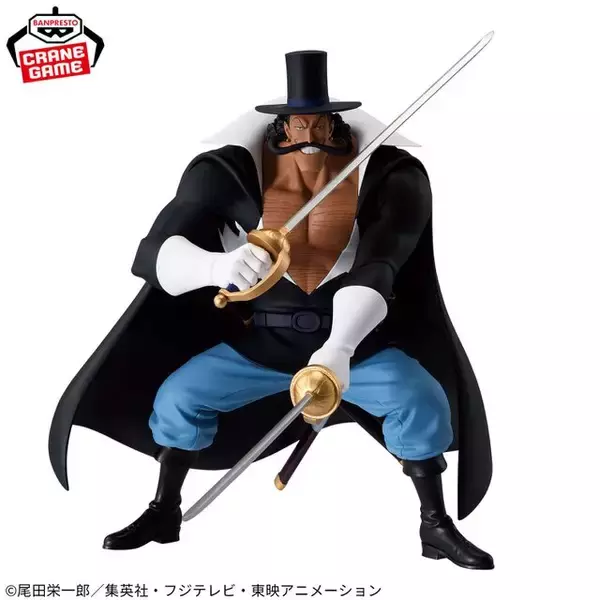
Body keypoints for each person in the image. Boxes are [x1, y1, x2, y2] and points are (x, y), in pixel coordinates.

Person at [49, 50, 493, 569]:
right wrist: (215, 266)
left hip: (357, 344)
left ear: (339, 125)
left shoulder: (389, 173)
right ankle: (164, 509)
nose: (310, 135)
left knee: (421, 401)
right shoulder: (227, 171)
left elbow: (381, 264)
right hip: (260, 343)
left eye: (323, 124)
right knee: (180, 397)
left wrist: (340, 347)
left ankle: (435, 524)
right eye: (298, 125)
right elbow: (151, 254)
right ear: (278, 127)